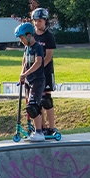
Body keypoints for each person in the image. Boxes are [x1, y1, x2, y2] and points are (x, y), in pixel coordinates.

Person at [16, 22, 47, 143]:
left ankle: (39, 132)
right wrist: (22, 75)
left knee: (32, 107)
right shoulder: (27, 48)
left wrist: (26, 73)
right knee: (32, 107)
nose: (21, 41)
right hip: (29, 82)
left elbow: (38, 63)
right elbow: (24, 62)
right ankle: (36, 130)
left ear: (29, 35)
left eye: (22, 38)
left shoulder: (37, 47)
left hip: (38, 81)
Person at [30, 7, 57, 136]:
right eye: (35, 21)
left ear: (45, 21)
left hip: (45, 72)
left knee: (46, 100)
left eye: (39, 21)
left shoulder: (48, 36)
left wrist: (39, 68)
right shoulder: (31, 35)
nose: (37, 23)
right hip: (34, 72)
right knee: (36, 100)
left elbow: (48, 56)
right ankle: (41, 127)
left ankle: (52, 127)